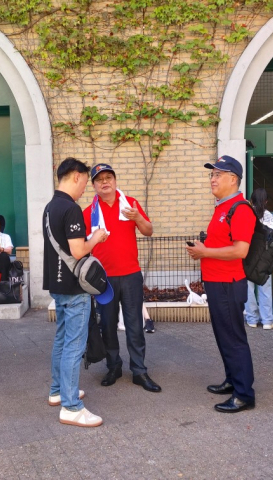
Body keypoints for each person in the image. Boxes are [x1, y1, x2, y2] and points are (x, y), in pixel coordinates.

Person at [186, 155, 257, 413]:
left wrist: (204, 252)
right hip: (217, 282)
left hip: (228, 283)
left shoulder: (240, 209)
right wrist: (204, 250)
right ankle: (233, 380)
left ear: (233, 179)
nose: (213, 179)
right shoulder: (222, 207)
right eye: (211, 174)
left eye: (218, 174)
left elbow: (240, 251)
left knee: (234, 338)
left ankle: (244, 394)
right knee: (223, 336)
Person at [83, 164, 161, 393]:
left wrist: (137, 217)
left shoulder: (130, 204)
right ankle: (113, 366)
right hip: (103, 279)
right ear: (94, 185)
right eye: (99, 180)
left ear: (115, 181)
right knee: (107, 325)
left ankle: (139, 370)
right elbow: (83, 247)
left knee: (135, 324)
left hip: (130, 275)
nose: (105, 182)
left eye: (109, 178)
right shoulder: (89, 212)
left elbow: (149, 230)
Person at [43, 157, 109, 427]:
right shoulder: (70, 208)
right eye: (85, 181)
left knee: (61, 340)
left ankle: (58, 391)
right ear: (76, 177)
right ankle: (71, 407)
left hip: (57, 286)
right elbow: (78, 250)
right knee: (74, 344)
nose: (86, 188)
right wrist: (97, 237)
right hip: (74, 287)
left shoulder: (50, 207)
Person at [245, 189, 273, 330]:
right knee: (265, 288)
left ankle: (252, 319)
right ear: (266, 201)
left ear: (251, 200)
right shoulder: (268, 215)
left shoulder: (246, 213)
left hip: (248, 255)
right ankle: (267, 321)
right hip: (264, 257)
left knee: (248, 289)